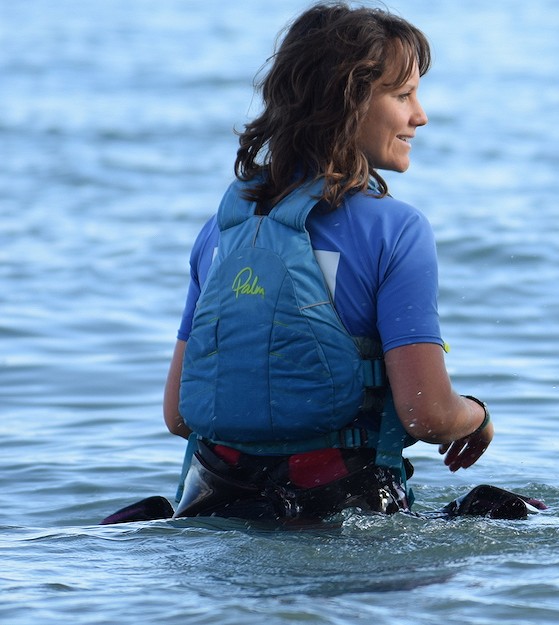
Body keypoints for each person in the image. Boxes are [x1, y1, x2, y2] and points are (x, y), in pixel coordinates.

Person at [153, 2, 497, 524]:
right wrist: (476, 417)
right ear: (349, 102)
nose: (420, 115)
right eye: (403, 95)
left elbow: (180, 414)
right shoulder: (396, 231)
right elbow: (426, 413)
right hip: (342, 508)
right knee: (500, 510)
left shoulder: (221, 232)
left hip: (212, 506)